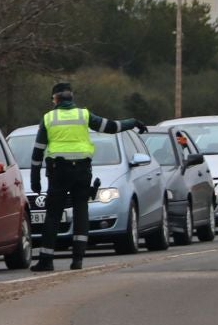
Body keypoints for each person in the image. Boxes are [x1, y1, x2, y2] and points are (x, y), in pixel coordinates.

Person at [27, 81, 145, 272]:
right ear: (72, 97)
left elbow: (38, 151)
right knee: (81, 210)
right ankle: (78, 259)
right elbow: (110, 126)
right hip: (82, 170)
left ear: (55, 99)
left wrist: (34, 179)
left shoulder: (49, 118)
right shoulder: (84, 114)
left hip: (58, 171)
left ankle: (46, 260)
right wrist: (132, 122)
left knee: (53, 214)